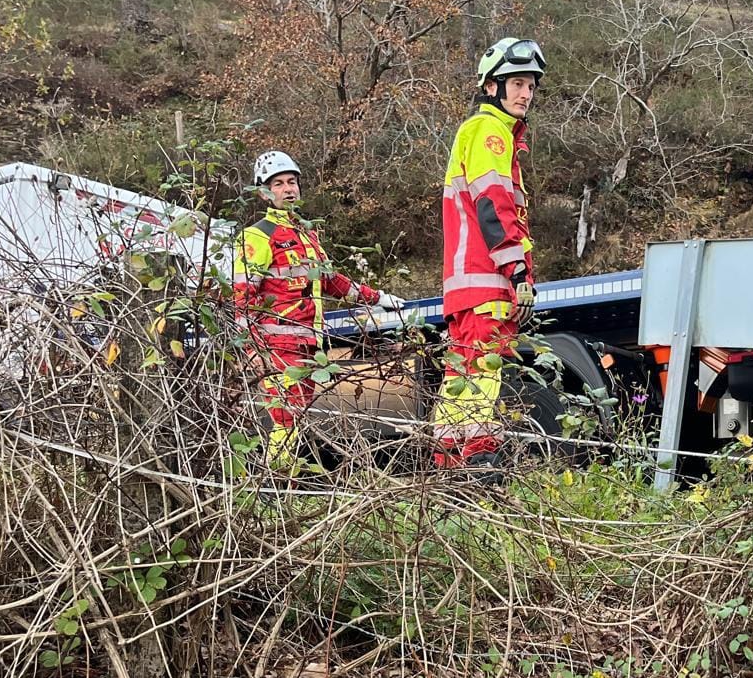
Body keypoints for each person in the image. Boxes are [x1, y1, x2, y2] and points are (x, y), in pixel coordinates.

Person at [234, 150, 406, 473]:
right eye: (278, 184)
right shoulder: (257, 235)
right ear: (264, 192)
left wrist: (378, 298)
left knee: (295, 418)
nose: (288, 189)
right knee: (286, 418)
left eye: (292, 182)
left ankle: (283, 483)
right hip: (277, 346)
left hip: (309, 345)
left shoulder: (306, 234)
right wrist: (253, 349)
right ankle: (276, 485)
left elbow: (330, 280)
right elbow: (241, 298)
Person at [435, 36, 546, 470]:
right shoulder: (490, 132)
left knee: (461, 375)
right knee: (485, 368)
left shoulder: (481, 132)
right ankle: (479, 462)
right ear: (491, 87)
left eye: (530, 86)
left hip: (467, 282)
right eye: (517, 83)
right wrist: (518, 271)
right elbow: (494, 207)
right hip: (488, 279)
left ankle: (448, 465)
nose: (526, 94)